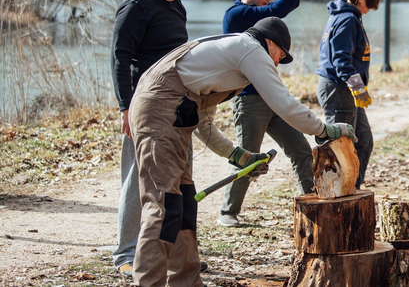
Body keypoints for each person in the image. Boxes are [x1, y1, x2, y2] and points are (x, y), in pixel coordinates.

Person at [128, 17, 355, 287]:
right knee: (164, 206)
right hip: (157, 111)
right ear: (270, 41)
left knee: (184, 203)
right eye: (279, 56)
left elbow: (203, 123)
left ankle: (186, 282)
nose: (275, 64)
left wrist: (240, 156)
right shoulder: (250, 49)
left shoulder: (230, 53)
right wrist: (323, 130)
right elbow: (283, 103)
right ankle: (147, 283)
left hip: (171, 112)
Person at [109, 0, 199, 278]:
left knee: (175, 181)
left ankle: (172, 252)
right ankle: (125, 254)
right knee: (138, 181)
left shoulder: (176, 8)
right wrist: (125, 107)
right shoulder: (136, 8)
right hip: (143, 109)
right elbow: (121, 59)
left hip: (176, 107)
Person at [218, 0, 318, 228]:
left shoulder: (256, 10)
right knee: (248, 157)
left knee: (300, 148)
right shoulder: (237, 15)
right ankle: (228, 212)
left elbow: (281, 9)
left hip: (271, 96)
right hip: (249, 100)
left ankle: (310, 202)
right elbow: (278, 9)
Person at [316, 0, 383, 189]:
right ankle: (334, 190)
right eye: (369, 4)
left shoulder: (347, 16)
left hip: (347, 91)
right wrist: (356, 85)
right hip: (339, 90)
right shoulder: (347, 19)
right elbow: (341, 59)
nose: (370, 10)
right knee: (339, 146)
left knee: (363, 141)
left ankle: (352, 186)